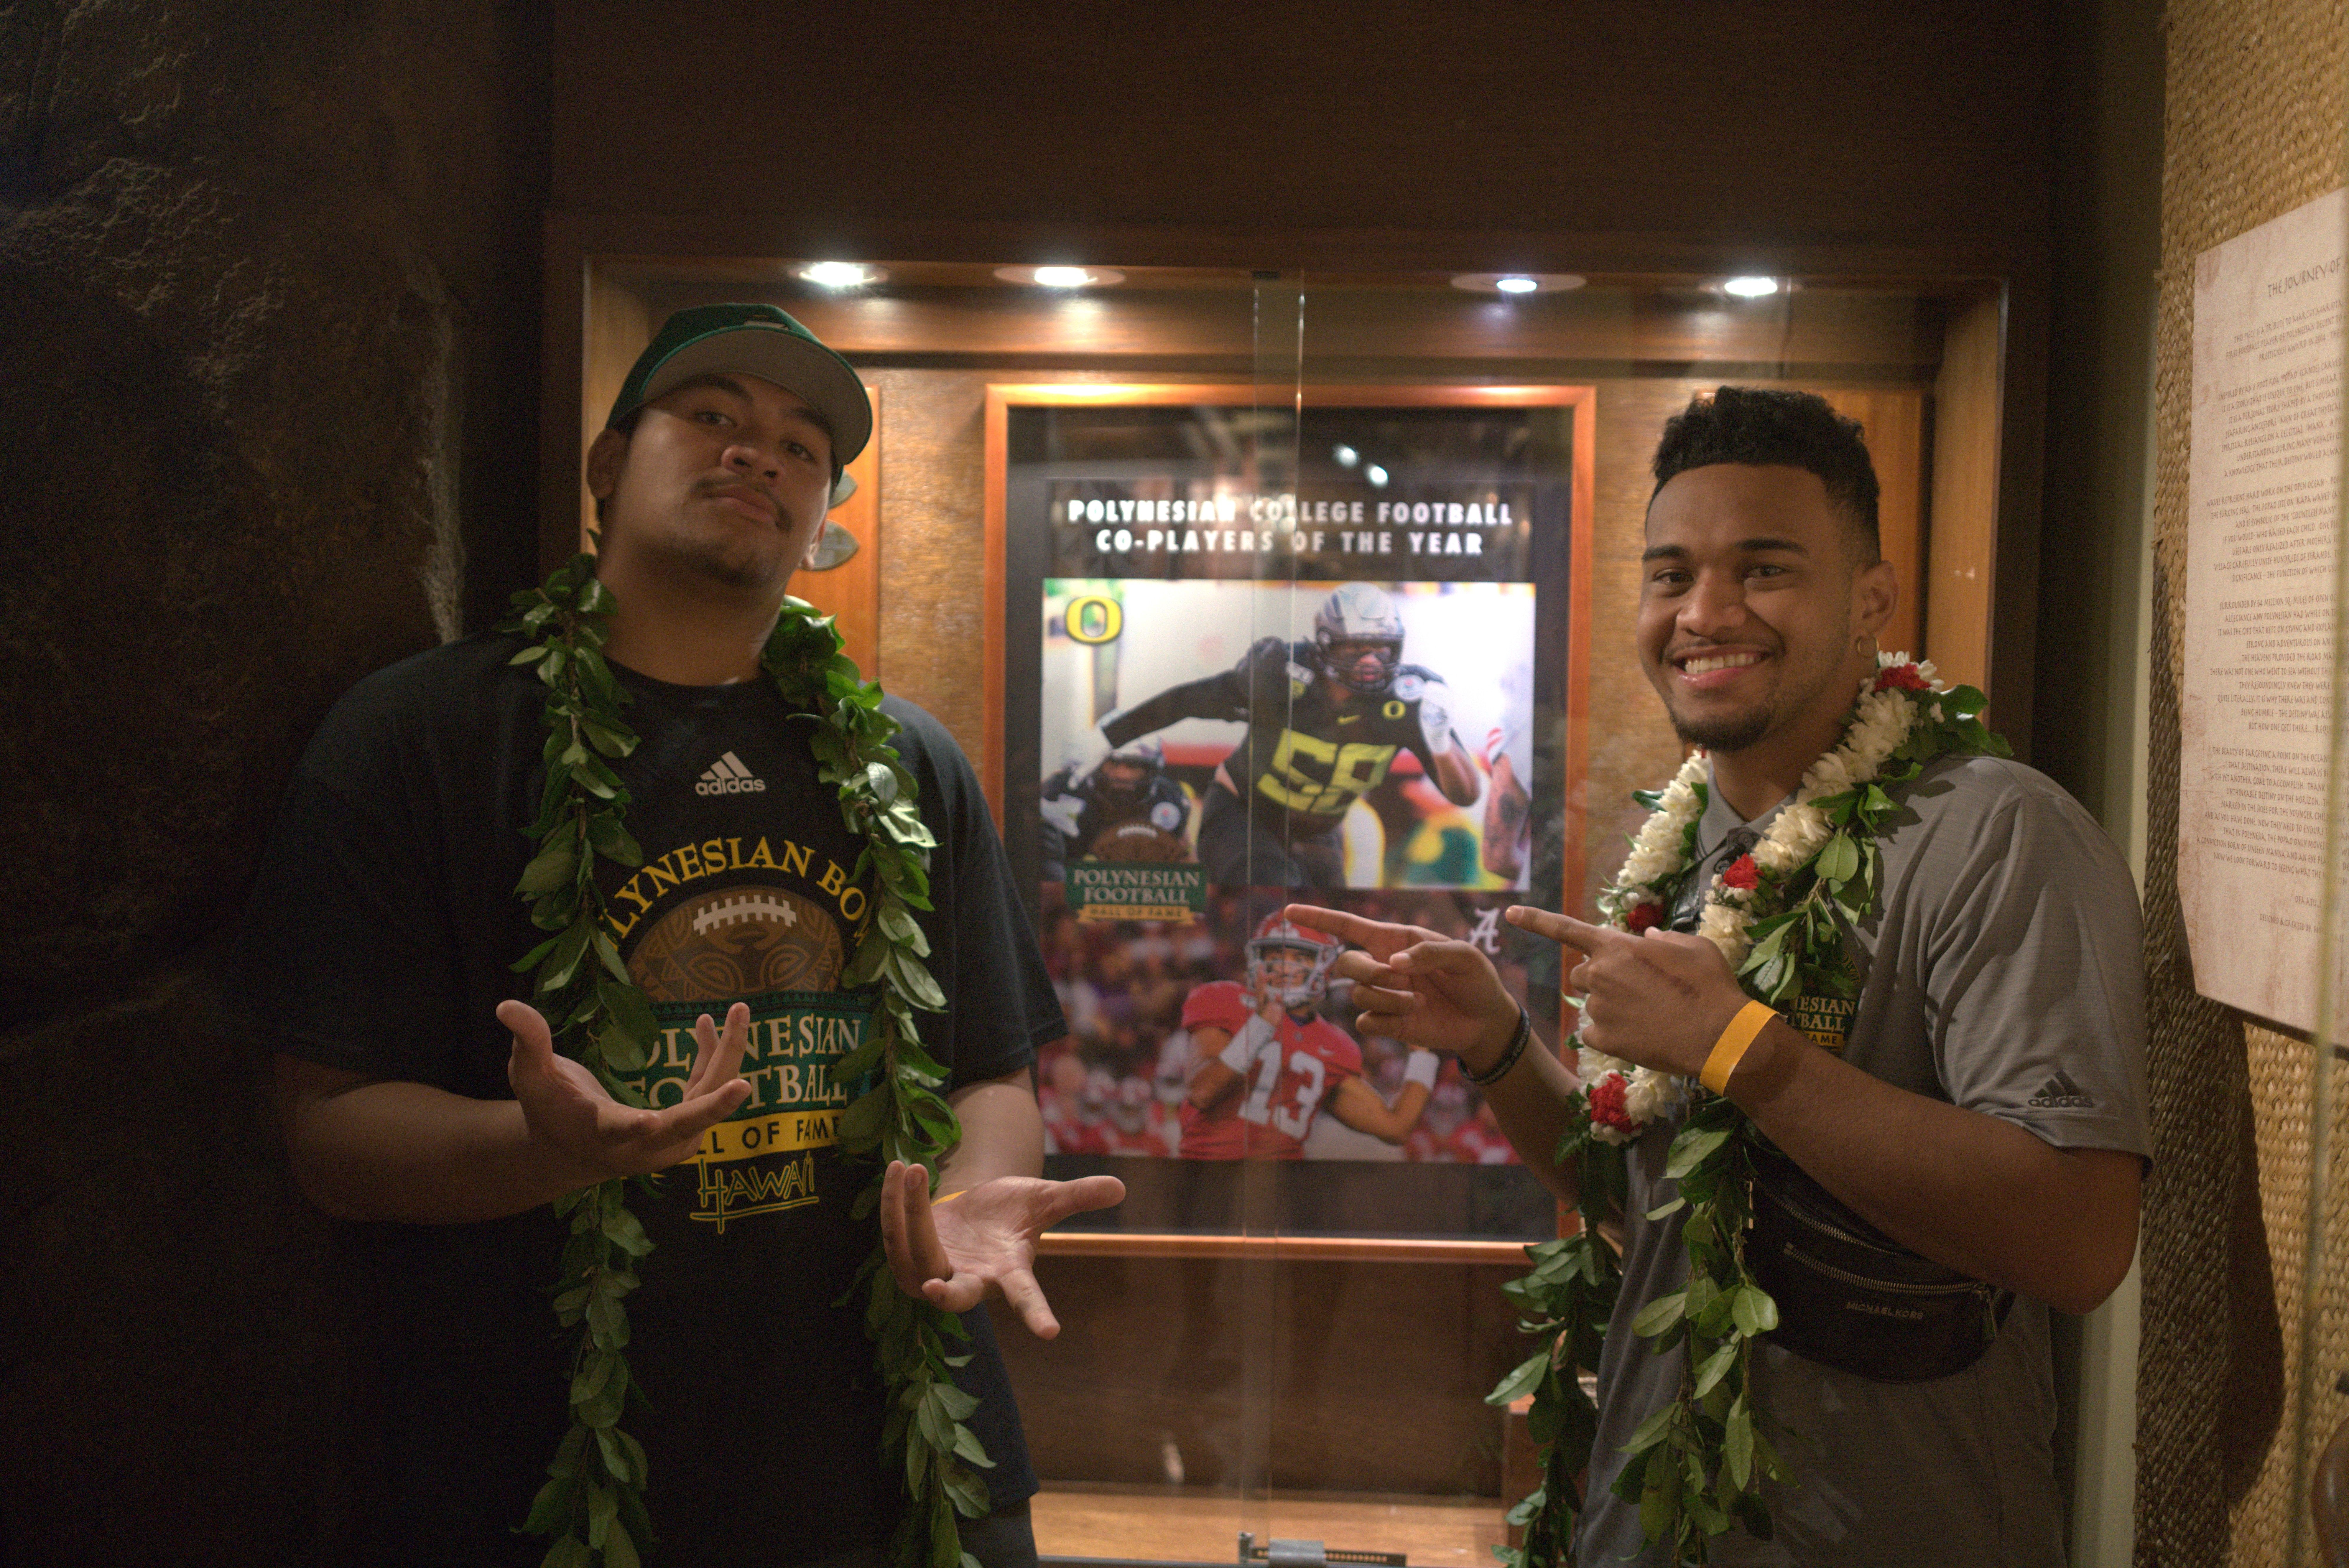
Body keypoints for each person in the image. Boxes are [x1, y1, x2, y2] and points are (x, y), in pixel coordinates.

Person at [226, 303, 1121, 1568]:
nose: (758, 453)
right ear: (605, 466)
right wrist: (540, 1150)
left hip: (896, 1469)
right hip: (536, 1479)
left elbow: (988, 1068)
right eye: (712, 417)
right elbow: (327, 1133)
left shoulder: (904, 760)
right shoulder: (417, 738)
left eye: (801, 445)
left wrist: (971, 1204)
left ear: (822, 522)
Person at [1290, 388, 2146, 1567]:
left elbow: (2081, 1239)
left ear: (1874, 602)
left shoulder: (1999, 835)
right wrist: (1495, 1047)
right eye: (1671, 573)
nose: (1705, 612)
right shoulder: (1684, 837)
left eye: (1765, 569)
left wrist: (1744, 1048)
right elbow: (1649, 1210)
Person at [1078, 582, 1481, 888]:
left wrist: (1440, 741)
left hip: (1318, 829)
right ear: (1325, 644)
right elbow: (1190, 701)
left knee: (1334, 921)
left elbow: (1465, 794)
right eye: (1357, 648)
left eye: (1383, 649)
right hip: (1244, 811)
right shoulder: (1282, 674)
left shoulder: (1409, 700)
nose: (1371, 663)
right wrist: (1108, 737)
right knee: (1270, 886)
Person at [1178, 912, 1438, 1158]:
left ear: (1326, 965)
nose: (1283, 968)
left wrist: (1423, 1051)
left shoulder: (1333, 1044)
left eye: (1299, 959)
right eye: (1274, 956)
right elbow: (1203, 1092)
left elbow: (1396, 1128)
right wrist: (1262, 1024)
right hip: (1206, 1176)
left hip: (1285, 1187)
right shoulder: (1225, 999)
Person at [1037, 735, 1192, 881]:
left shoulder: (1168, 800)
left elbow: (1187, 865)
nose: (1123, 775)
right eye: (1114, 763)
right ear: (1094, 764)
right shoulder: (1064, 792)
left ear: (1151, 769)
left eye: (1134, 765)